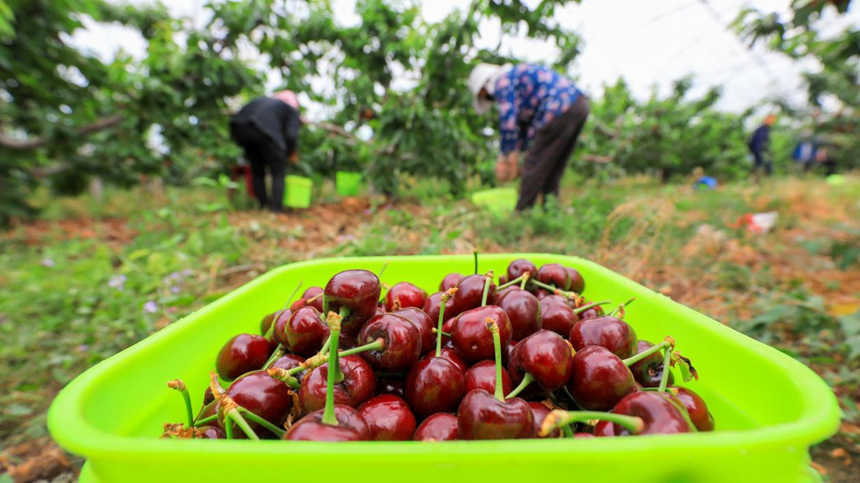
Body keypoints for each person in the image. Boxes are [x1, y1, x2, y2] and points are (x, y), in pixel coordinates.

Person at [469, 63, 589, 211]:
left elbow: (509, 122)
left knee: (533, 165)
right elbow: (524, 130)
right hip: (578, 105)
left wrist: (506, 156)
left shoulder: (502, 81)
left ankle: (521, 215)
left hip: (558, 108)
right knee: (553, 166)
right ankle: (551, 212)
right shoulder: (514, 80)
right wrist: (519, 152)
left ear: (483, 87)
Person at [230, 91, 301, 212]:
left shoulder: (263, 101)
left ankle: (263, 206)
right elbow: (291, 135)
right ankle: (275, 209)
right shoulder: (291, 109)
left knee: (257, 170)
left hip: (239, 128)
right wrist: (290, 152)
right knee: (278, 171)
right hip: (263, 130)